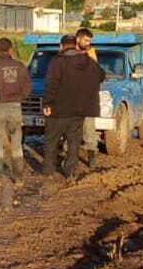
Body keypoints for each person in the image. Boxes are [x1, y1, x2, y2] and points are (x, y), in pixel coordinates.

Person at [42, 34, 104, 181]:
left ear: (61, 46)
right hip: (80, 111)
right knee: (74, 142)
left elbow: (51, 84)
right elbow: (101, 76)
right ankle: (70, 172)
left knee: (52, 140)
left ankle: (48, 170)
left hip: (58, 110)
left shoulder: (57, 62)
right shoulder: (89, 61)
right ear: (75, 45)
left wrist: (47, 104)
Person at [0, 37, 31, 204]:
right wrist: (20, 98)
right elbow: (27, 88)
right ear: (11, 49)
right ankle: (19, 177)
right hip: (15, 107)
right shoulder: (20, 66)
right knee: (16, 143)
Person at [75, 27, 101, 170]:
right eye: (86, 40)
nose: (87, 43)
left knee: (90, 131)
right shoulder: (69, 53)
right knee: (71, 132)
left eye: (89, 41)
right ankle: (69, 158)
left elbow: (97, 73)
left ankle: (92, 158)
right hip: (72, 101)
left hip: (88, 100)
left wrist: (91, 57)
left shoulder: (91, 53)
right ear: (78, 38)